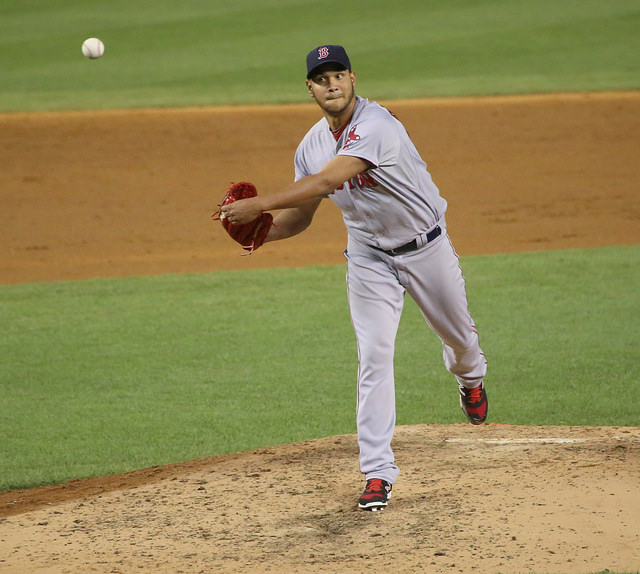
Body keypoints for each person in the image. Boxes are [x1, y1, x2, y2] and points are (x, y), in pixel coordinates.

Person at [221, 45, 488, 511]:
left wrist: (259, 205)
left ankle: (470, 378)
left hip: (426, 248)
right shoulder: (310, 146)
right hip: (368, 257)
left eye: (338, 75)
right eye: (321, 79)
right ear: (309, 88)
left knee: (460, 338)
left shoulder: (378, 125)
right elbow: (302, 217)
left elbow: (328, 183)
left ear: (352, 78)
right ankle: (378, 472)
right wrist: (261, 235)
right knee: (374, 354)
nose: (331, 84)